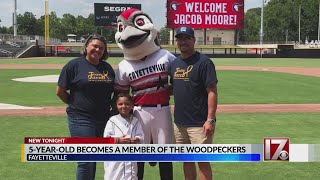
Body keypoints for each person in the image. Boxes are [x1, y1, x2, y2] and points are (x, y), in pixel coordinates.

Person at [114, 8, 175, 180]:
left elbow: (180, 77)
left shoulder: (164, 55)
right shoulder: (124, 65)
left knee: (165, 153)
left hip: (161, 109)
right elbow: (121, 94)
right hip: (139, 111)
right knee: (139, 152)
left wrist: (171, 89)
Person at [56, 34, 115, 180]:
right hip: (80, 119)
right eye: (94, 46)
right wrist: (75, 104)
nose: (97, 50)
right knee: (85, 160)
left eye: (101, 48)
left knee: (97, 158)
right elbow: (60, 91)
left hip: (103, 119)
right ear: (86, 47)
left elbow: (116, 92)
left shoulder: (107, 68)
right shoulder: (74, 65)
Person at [171, 25, 218, 180]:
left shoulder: (204, 62)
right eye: (180, 38)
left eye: (186, 38)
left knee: (203, 161)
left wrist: (210, 119)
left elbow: (212, 91)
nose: (183, 41)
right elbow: (176, 88)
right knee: (186, 160)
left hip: (200, 123)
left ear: (193, 40)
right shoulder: (174, 63)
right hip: (179, 123)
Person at [104, 93, 144, 180]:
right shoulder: (112, 120)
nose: (124, 106)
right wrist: (118, 140)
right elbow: (106, 139)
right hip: (115, 159)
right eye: (120, 104)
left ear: (132, 105)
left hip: (131, 157)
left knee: (131, 176)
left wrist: (136, 139)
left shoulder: (136, 121)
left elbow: (141, 136)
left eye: (127, 104)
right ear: (116, 105)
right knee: (114, 176)